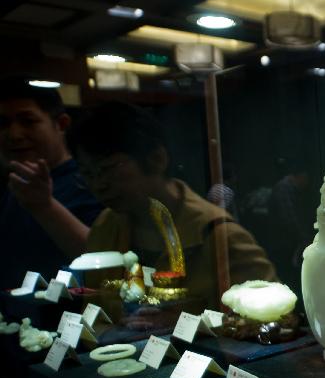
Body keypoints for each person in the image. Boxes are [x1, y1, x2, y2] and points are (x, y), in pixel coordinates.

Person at [66, 102, 276, 310]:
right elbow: (95, 313)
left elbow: (273, 317)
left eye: (109, 168)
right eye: (88, 173)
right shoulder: (106, 226)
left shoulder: (220, 236)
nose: (98, 185)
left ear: (157, 159)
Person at [0, 76, 103, 288]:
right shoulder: (15, 185)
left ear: (61, 124)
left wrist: (44, 207)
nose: (14, 134)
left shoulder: (91, 181)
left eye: (28, 121)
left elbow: (104, 261)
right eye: (3, 123)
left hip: (73, 319)